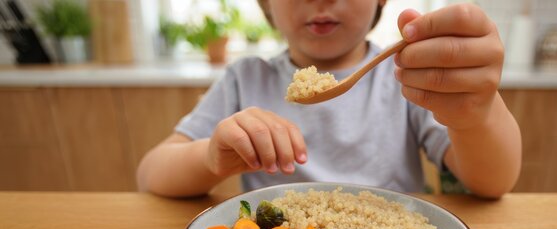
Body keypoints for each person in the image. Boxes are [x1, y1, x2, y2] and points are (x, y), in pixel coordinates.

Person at [137, 0, 521, 199]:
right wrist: (210, 159)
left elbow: (492, 183)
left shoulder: (406, 75)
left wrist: (478, 113)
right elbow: (150, 173)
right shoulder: (245, 78)